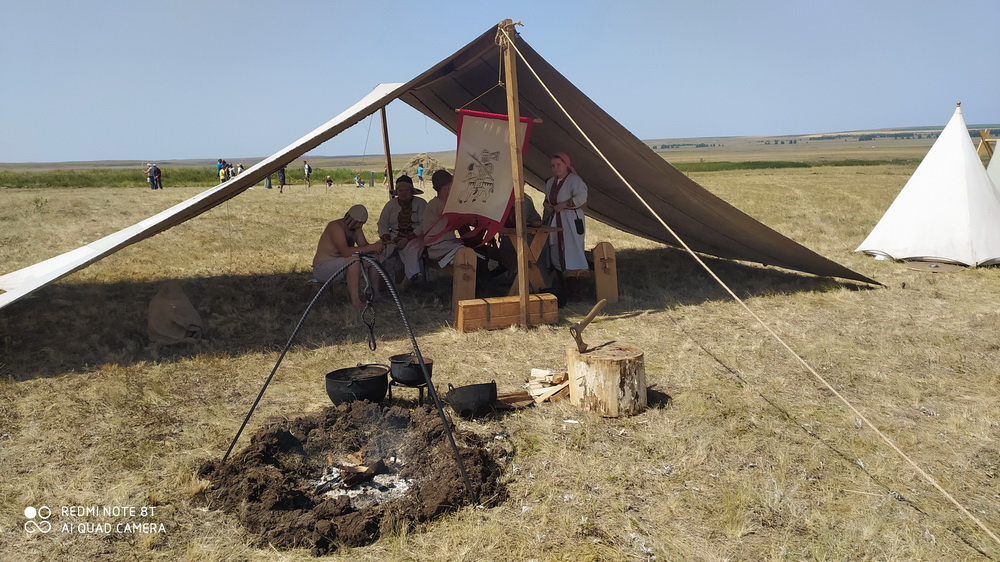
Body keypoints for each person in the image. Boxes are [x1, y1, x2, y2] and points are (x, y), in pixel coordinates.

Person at [312, 205, 386, 307]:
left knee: (373, 259)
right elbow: (346, 252)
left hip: (341, 265)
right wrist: (372, 247)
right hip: (323, 268)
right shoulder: (335, 227)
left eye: (362, 224)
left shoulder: (356, 228)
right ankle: (356, 301)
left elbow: (365, 247)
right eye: (359, 223)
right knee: (353, 261)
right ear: (351, 219)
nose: (360, 226)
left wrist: (378, 248)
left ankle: (376, 294)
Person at [399, 170, 465, 283]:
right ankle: (464, 288)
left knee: (468, 251)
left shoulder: (437, 203)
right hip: (438, 247)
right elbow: (456, 220)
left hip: (441, 244)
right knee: (466, 254)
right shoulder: (438, 204)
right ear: (446, 188)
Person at [542, 152, 589, 300]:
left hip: (570, 221)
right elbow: (547, 199)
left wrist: (563, 205)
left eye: (559, 165)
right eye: (553, 165)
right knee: (556, 252)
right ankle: (563, 290)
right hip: (556, 221)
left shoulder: (575, 180)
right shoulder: (550, 182)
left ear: (566, 165)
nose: (556, 168)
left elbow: (582, 198)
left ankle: (576, 292)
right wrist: (547, 206)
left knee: (571, 253)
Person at [378, 175, 427, 281]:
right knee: (379, 249)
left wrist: (407, 239)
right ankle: (379, 280)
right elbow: (382, 223)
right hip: (394, 235)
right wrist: (387, 240)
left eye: (406, 190)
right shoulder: (390, 205)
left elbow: (425, 224)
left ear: (411, 191)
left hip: (415, 236)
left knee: (412, 251)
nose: (403, 193)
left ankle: (414, 278)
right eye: (401, 190)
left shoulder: (420, 203)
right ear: (397, 192)